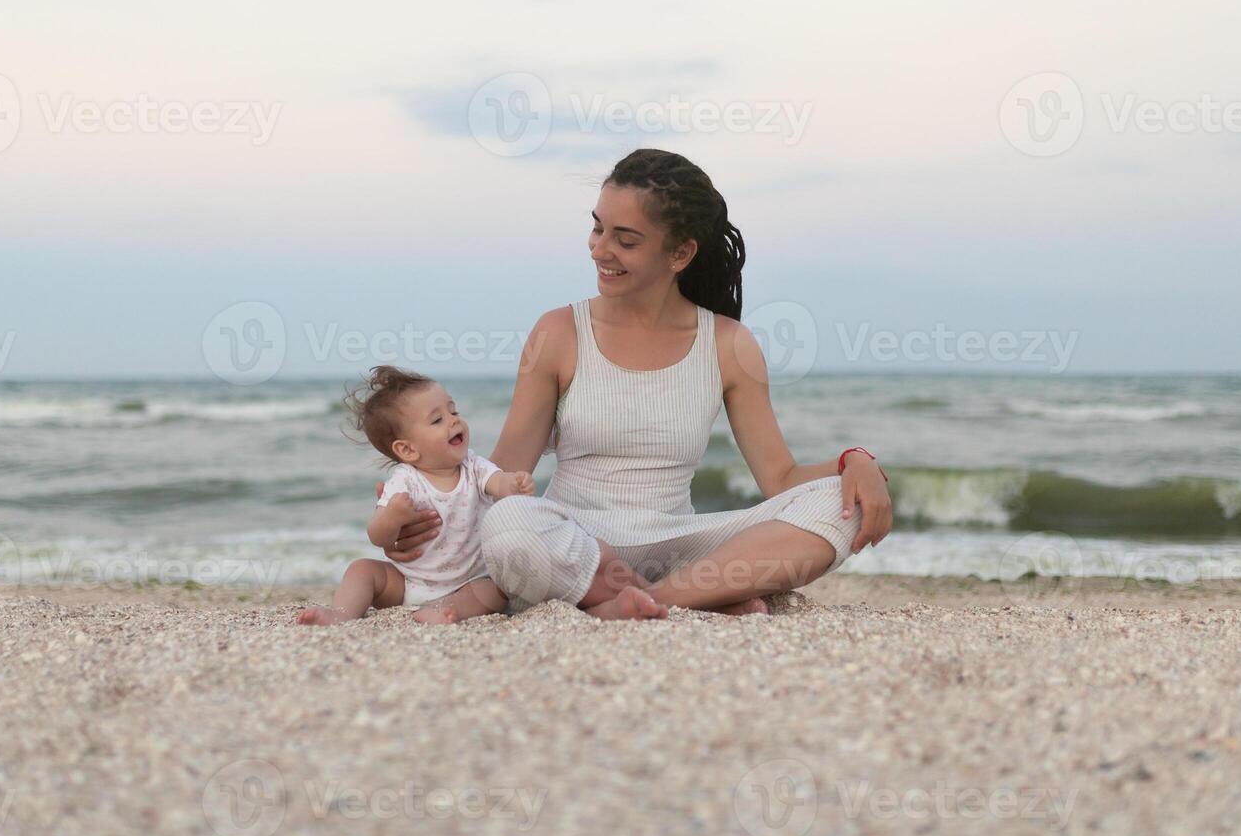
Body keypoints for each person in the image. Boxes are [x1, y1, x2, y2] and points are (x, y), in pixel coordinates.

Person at [371, 148, 894, 620]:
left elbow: (780, 478)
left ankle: (655, 599)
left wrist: (855, 463)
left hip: (681, 545)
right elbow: (506, 476)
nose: (600, 250)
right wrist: (429, 499)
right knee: (510, 524)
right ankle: (690, 599)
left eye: (625, 240)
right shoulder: (558, 332)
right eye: (598, 229)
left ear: (679, 254)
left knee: (835, 505)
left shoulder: (729, 344)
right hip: (574, 538)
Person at [298, 366, 534, 626]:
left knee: (496, 592)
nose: (454, 420)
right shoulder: (405, 481)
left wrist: (513, 484)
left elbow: (497, 482)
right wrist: (392, 517)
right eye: (437, 420)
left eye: (453, 410)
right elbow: (378, 536)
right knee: (362, 569)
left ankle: (445, 610)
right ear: (408, 450)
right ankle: (341, 613)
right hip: (409, 582)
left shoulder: (474, 466)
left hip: (469, 581)